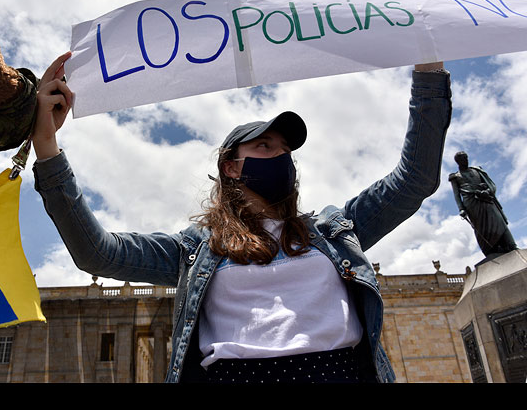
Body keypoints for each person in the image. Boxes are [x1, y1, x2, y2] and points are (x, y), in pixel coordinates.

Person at [31, 54, 452, 383]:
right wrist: (47, 147)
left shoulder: (333, 229)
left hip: (339, 372)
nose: (280, 155)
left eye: (284, 148)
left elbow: (414, 179)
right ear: (231, 167)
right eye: (264, 146)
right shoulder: (196, 248)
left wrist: (429, 70)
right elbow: (97, 253)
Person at [449, 151, 519, 258]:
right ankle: (491, 251)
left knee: (499, 221)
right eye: (463, 159)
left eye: (467, 158)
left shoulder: (477, 170)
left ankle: (511, 245)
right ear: (458, 162)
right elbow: (456, 195)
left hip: (487, 199)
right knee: (481, 228)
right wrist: (461, 208)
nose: (466, 160)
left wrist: (488, 190)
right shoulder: (455, 177)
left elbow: (490, 184)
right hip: (472, 204)